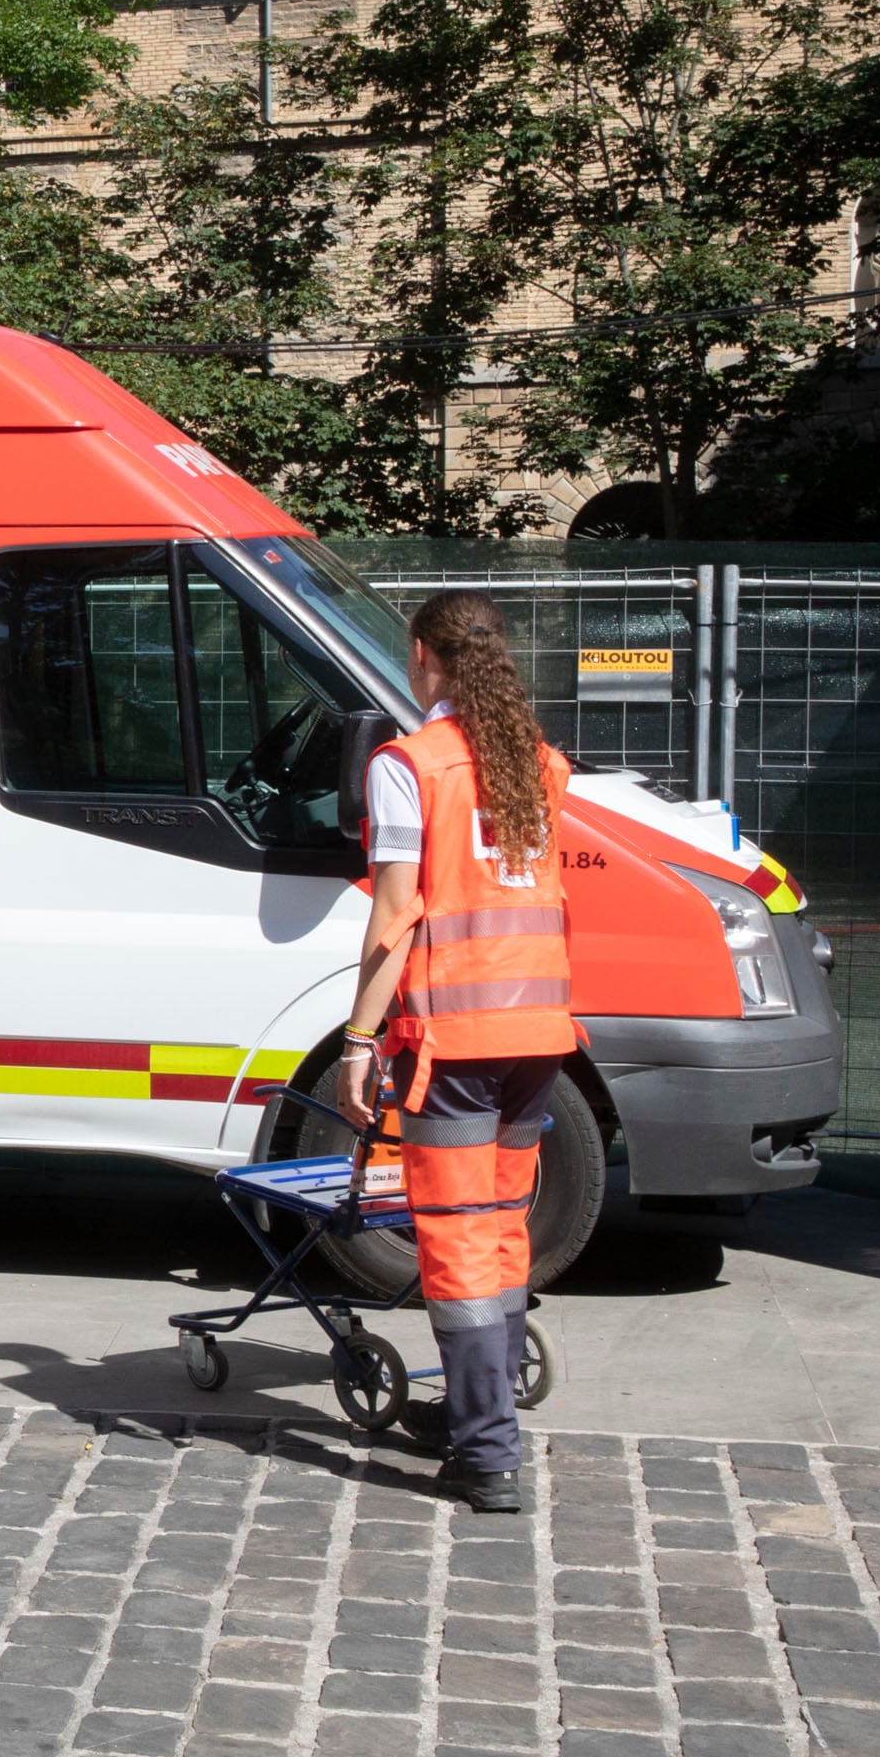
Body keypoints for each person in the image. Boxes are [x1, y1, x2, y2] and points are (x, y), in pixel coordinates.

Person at [337, 590, 577, 1516]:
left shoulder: (411, 765)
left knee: (455, 1241)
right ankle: (482, 1412)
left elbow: (395, 914)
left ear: (420, 656)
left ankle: (486, 1451)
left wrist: (360, 1037)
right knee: (502, 1229)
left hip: (455, 1041)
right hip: (539, 1032)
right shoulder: (538, 763)